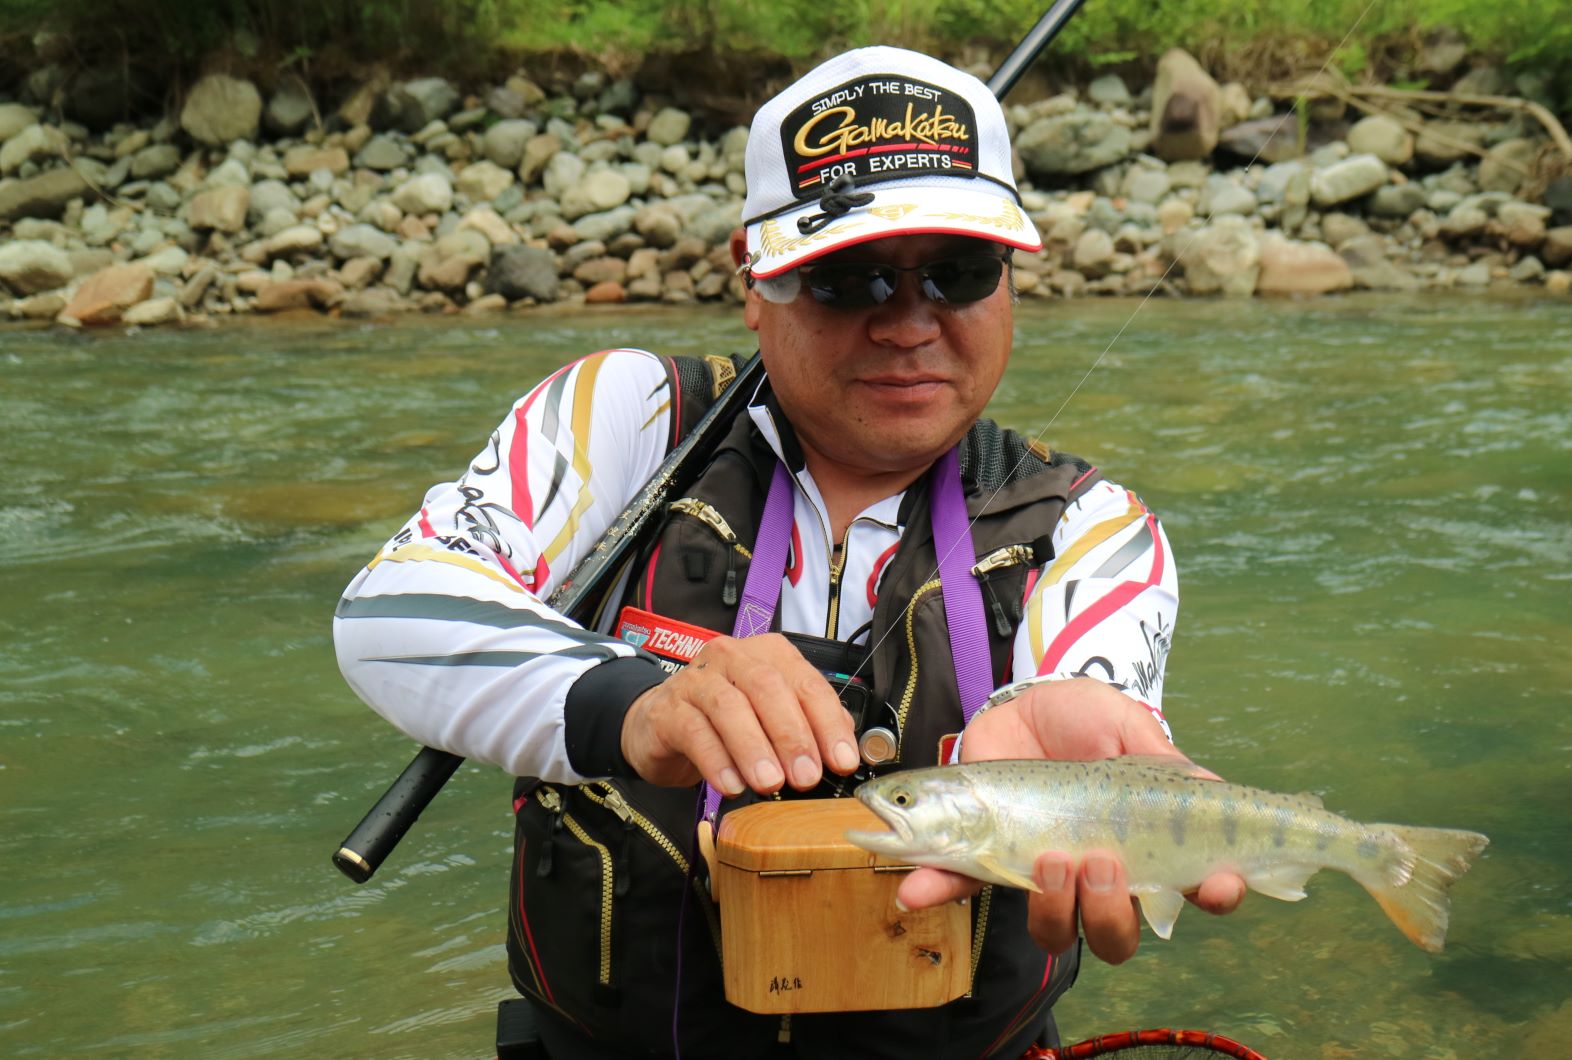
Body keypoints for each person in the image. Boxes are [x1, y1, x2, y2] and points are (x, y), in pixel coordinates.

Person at [335, 46, 1245, 1059]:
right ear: (753, 280)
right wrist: (636, 705)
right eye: (847, 277)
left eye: (959, 272)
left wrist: (1098, 767)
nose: (908, 324)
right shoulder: (627, 419)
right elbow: (391, 608)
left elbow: (1092, 692)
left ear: (1009, 282)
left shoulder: (1097, 528)